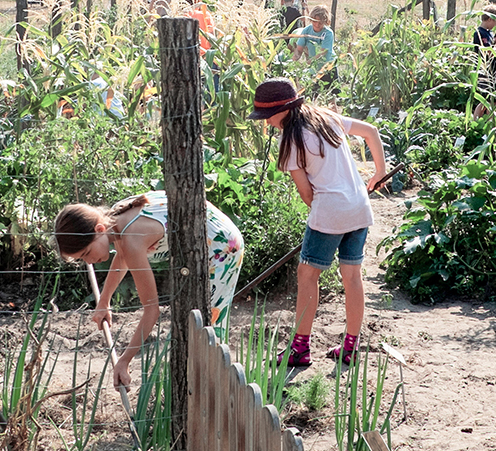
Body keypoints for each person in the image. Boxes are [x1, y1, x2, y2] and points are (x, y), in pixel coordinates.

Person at [251, 78, 386, 366]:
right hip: (359, 206)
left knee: (307, 275)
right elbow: (371, 132)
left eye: (267, 117)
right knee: (352, 277)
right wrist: (379, 174)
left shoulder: (290, 141)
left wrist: (324, 213)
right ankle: (351, 346)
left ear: (281, 111)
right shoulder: (326, 117)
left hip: (330, 212)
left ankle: (300, 347)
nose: (267, 123)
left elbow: (306, 193)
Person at [54, 191, 247, 386]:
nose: (89, 261)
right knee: (190, 328)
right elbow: (121, 258)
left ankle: (218, 387)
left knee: (207, 325)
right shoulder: (117, 218)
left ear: (100, 228)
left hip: (223, 249)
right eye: (82, 259)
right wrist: (104, 301)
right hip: (203, 246)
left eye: (87, 253)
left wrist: (124, 361)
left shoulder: (132, 238)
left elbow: (151, 311)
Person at [292, 5, 337, 69]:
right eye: (314, 21)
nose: (317, 25)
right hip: (313, 68)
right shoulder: (306, 30)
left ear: (325, 21)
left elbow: (322, 53)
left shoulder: (328, 33)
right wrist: (295, 58)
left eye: (320, 23)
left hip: (328, 67)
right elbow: (299, 49)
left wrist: (308, 62)